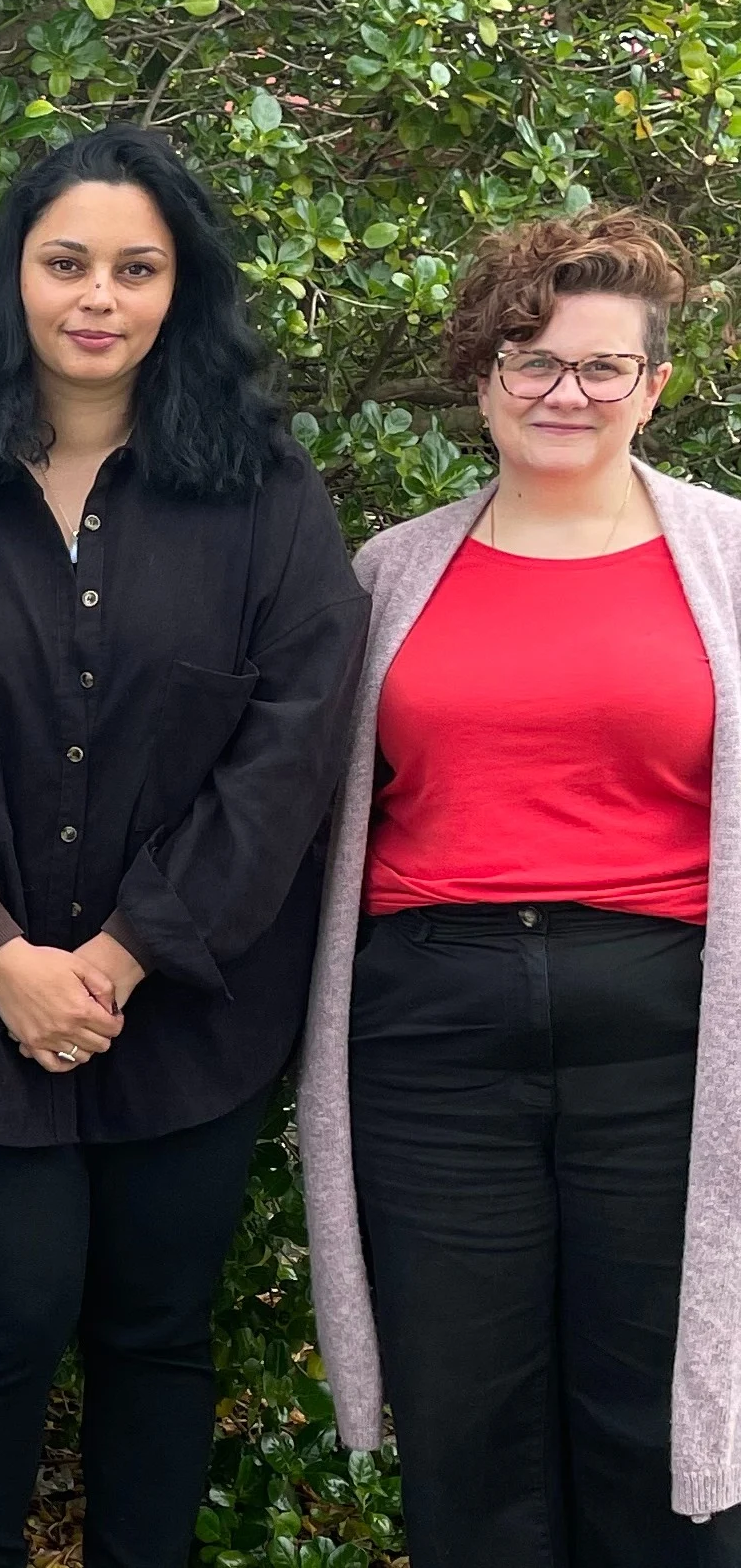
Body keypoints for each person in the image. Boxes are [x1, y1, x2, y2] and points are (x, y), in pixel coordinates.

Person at [0, 126, 368, 1568]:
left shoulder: (265, 498)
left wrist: (128, 950)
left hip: (192, 1012)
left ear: (179, 290)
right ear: (13, 277)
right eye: (67, 261)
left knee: (156, 1334)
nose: (100, 297)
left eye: (137, 269)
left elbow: (293, 750)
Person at [298, 208, 741, 1563]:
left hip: (665, 1031)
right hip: (433, 1033)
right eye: (532, 361)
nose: (567, 392)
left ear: (656, 386)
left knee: (657, 1415)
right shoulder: (390, 573)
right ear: (481, 379)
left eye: (604, 366)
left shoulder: (730, 558)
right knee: (467, 1415)